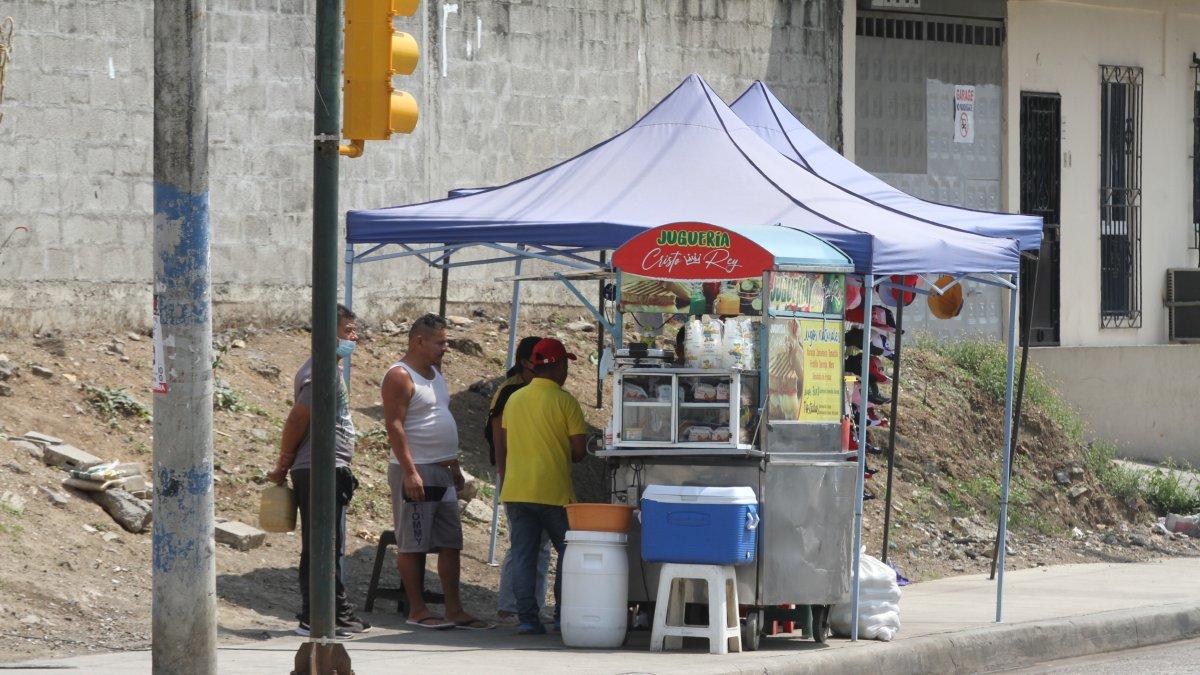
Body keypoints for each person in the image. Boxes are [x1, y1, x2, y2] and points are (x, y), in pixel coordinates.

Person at [381, 313, 490, 630]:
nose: (446, 348)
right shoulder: (400, 375)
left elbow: (439, 418)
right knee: (413, 541)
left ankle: (454, 609)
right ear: (419, 341)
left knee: (450, 542)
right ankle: (417, 609)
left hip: (442, 470)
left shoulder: (435, 373)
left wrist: (454, 465)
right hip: (416, 471)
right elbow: (394, 425)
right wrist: (410, 472)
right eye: (440, 342)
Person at [267, 303, 370, 637]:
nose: (354, 337)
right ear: (329, 332)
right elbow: (299, 417)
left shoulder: (328, 368)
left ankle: (333, 613)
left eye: (355, 331)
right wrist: (283, 464)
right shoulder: (322, 370)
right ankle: (319, 615)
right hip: (319, 470)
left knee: (328, 544)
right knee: (324, 545)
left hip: (325, 468)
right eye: (348, 330)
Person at [499, 337, 589, 635]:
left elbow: (511, 439)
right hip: (553, 493)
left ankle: (527, 619)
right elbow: (578, 452)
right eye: (566, 364)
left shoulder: (514, 398)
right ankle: (564, 616)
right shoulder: (566, 402)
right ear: (559, 365)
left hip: (516, 491)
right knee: (569, 553)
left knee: (523, 556)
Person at [485, 336, 552, 623]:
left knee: (541, 548)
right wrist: (504, 471)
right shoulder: (510, 391)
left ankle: (533, 606)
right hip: (517, 476)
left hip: (540, 477)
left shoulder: (538, 389)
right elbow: (499, 437)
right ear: (526, 362)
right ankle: (509, 606)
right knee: (522, 546)